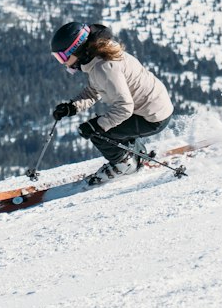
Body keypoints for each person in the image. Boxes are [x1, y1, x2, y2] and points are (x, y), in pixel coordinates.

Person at [49, 21, 174, 185]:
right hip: (155, 108)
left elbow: (125, 107)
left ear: (77, 49)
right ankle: (136, 155)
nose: (64, 63)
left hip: (152, 117)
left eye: (63, 57)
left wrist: (96, 126)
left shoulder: (104, 67)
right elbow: (95, 89)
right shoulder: (100, 57)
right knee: (108, 124)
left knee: (99, 133)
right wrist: (72, 107)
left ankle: (125, 165)